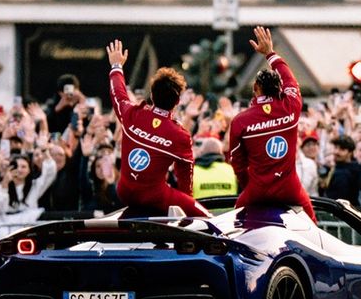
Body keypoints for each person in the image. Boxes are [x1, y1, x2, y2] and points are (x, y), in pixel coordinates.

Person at [106, 39, 209, 217]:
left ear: (152, 95)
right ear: (177, 102)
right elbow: (185, 175)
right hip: (153, 197)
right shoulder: (180, 135)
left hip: (124, 191)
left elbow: (118, 93)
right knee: (207, 218)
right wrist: (186, 211)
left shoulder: (133, 114)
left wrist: (116, 66)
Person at [225, 26, 316, 221]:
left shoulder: (241, 120)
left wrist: (249, 185)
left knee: (234, 228)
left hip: (256, 190)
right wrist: (270, 54)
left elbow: (237, 162)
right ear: (279, 89)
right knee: (313, 228)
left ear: (255, 88)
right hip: (289, 187)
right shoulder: (291, 106)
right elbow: (291, 80)